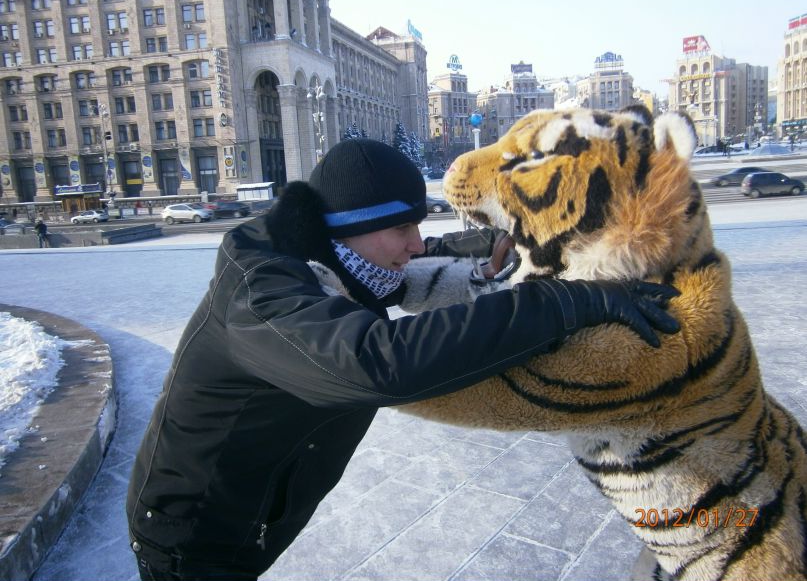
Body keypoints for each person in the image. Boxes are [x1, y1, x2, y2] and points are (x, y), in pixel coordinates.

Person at [126, 139, 680, 581]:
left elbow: (396, 275)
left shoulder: (331, 259)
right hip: (192, 535)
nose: (416, 243)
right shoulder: (264, 296)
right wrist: (564, 303)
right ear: (347, 228)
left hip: (252, 515)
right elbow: (377, 362)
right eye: (402, 228)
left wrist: (479, 263)